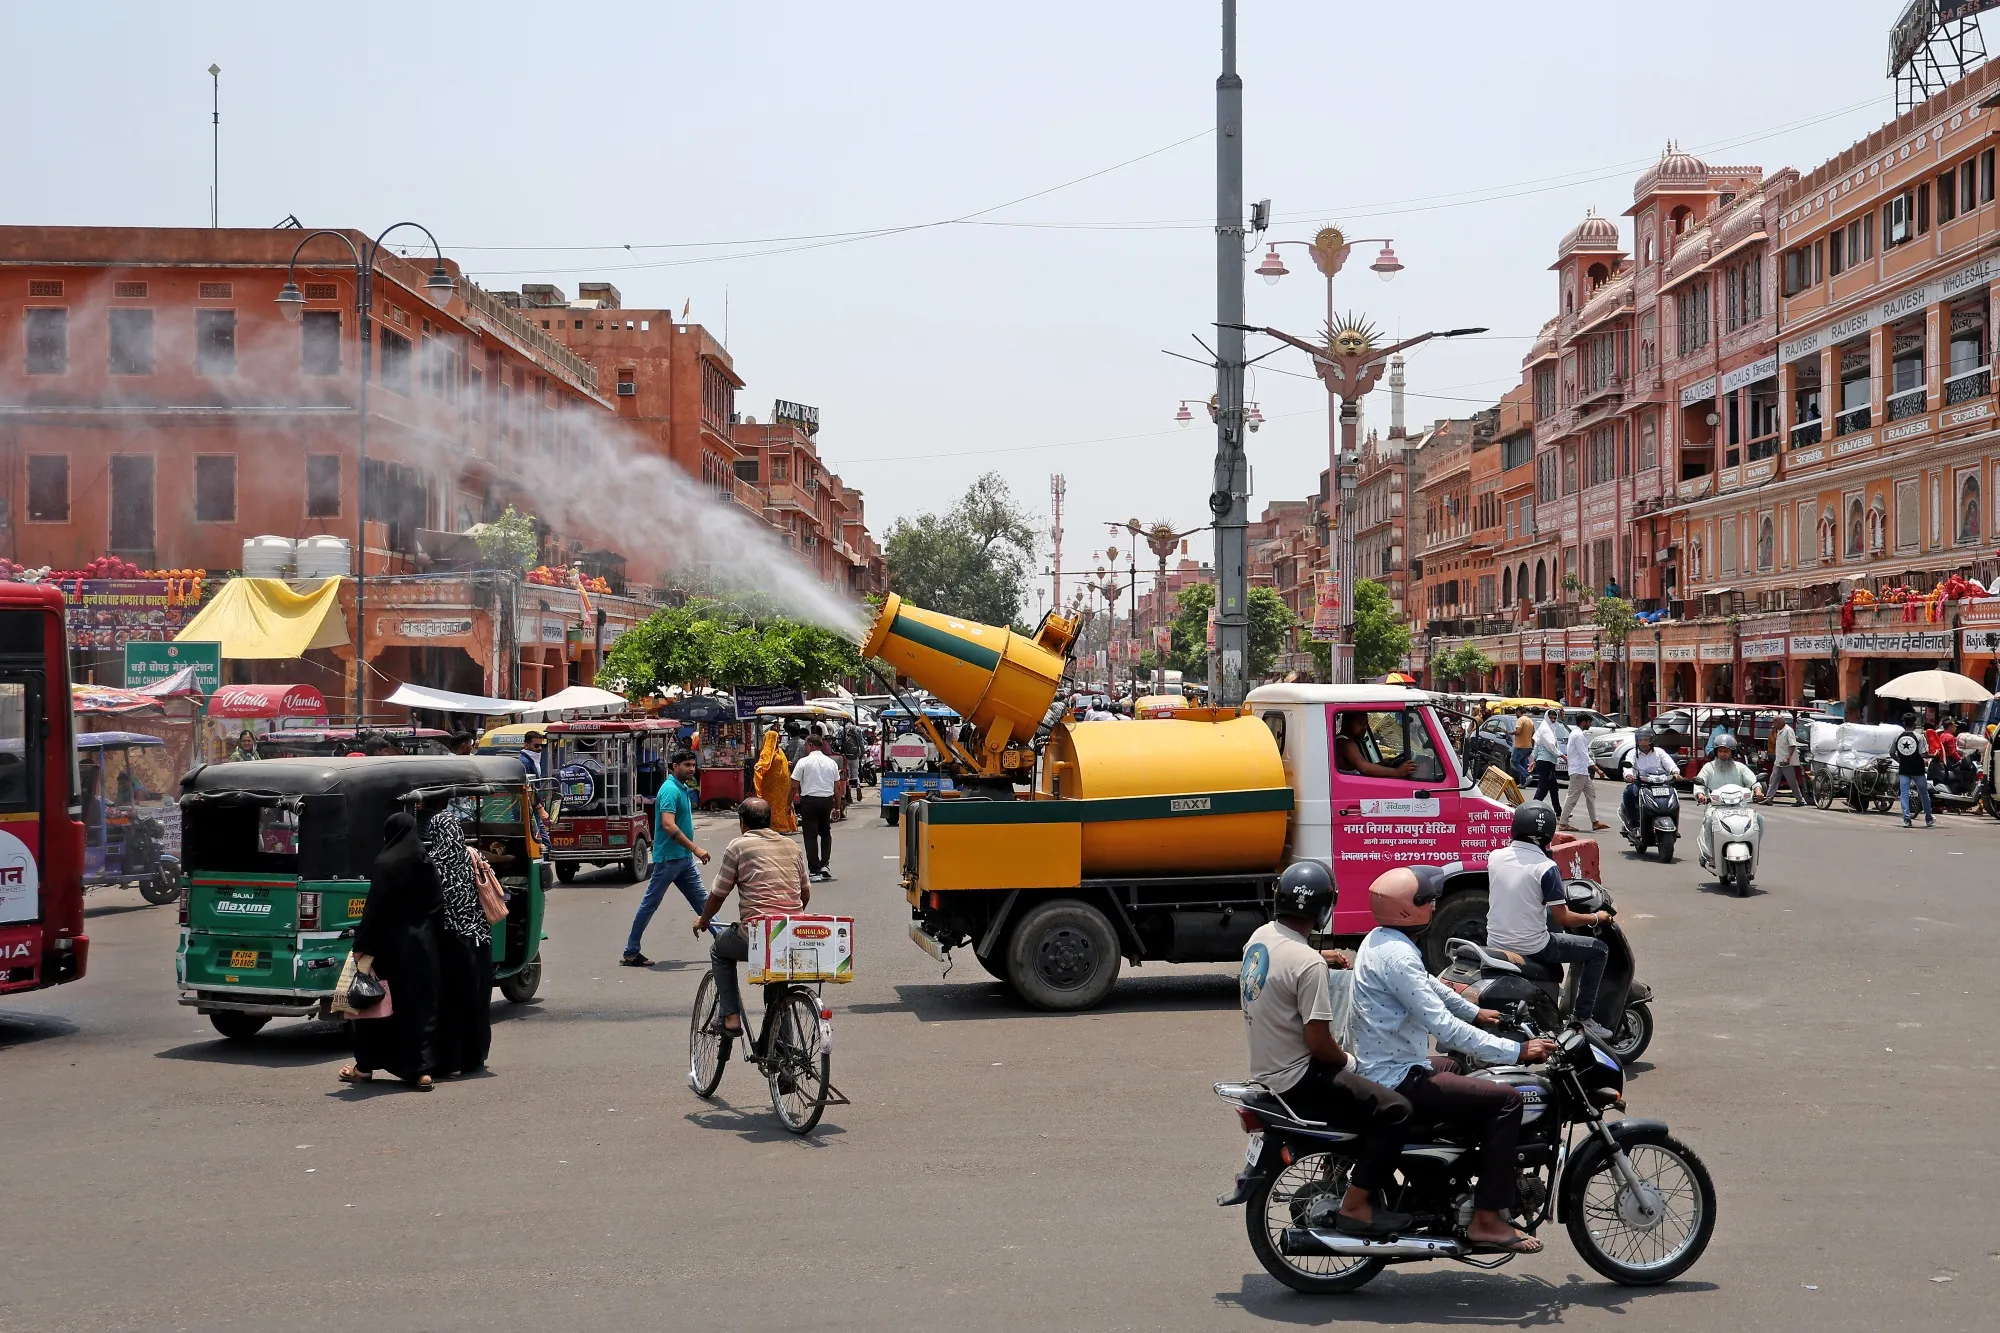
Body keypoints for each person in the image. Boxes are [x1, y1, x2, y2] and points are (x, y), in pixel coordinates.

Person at [1352, 865, 1554, 1254]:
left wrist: (1477, 1012)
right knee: (1507, 1100)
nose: (1434, 904)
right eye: (1426, 900)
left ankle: (1450, 1176)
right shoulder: (1398, 956)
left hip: (1389, 1063)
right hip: (1397, 1077)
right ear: (1408, 911)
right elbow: (1442, 1027)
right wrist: (1517, 1050)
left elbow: (1429, 987)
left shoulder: (1381, 940)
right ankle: (1487, 1220)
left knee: (1459, 1069)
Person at [1238, 862, 1413, 1239]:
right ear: (1324, 910)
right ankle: (1357, 1207)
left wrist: (1324, 959)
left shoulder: (1260, 938)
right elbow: (1320, 1043)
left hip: (1267, 1068)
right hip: (1300, 1076)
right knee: (1396, 1110)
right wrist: (1351, 1062)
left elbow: (1283, 972)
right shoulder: (1307, 963)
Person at [1486, 805, 1614, 1041]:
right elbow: (1563, 917)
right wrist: (1597, 917)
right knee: (1599, 950)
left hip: (1494, 941)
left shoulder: (1495, 857)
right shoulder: (1546, 868)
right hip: (1533, 947)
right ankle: (1583, 1018)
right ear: (1547, 835)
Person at [341, 813, 442, 1089]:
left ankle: (364, 1068)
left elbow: (374, 910)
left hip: (387, 948)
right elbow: (437, 903)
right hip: (421, 946)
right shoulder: (424, 860)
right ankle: (422, 1072)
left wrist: (361, 946)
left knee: (375, 1005)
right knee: (420, 1006)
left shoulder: (383, 864)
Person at [692, 796, 809, 1035]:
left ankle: (730, 1016)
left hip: (756, 933)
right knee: (778, 977)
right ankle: (781, 1049)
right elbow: (804, 894)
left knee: (719, 950)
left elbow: (718, 894)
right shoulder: (792, 846)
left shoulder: (739, 846)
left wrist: (704, 920)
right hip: (790, 932)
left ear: (742, 822)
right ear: (770, 820)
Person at [422, 797, 492, 1078]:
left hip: (451, 944)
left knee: (450, 1004)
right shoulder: (474, 857)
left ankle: (451, 1061)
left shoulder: (433, 865)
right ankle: (475, 1057)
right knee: (476, 1000)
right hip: (479, 940)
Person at [621, 750, 711, 966]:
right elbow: (668, 825)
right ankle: (631, 951)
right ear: (674, 766)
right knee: (650, 904)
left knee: (704, 903)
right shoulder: (670, 790)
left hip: (683, 859)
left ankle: (725, 945)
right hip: (669, 859)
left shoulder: (682, 788)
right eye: (686, 765)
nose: (691, 768)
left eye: (693, 765)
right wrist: (696, 849)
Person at [792, 736, 842, 882]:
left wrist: (788, 803)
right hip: (826, 800)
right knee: (825, 832)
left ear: (810, 745)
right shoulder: (831, 763)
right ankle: (825, 864)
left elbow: (794, 785)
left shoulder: (803, 762)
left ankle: (814, 870)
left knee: (810, 835)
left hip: (809, 800)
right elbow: (837, 787)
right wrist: (837, 807)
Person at [1621, 727, 1681, 830]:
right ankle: (1633, 822)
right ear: (1637, 740)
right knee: (1628, 792)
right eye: (1640, 740)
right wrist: (1628, 775)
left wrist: (1675, 773)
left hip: (1660, 784)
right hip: (1641, 784)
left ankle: (1673, 823)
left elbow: (1669, 764)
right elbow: (1628, 767)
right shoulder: (1632, 753)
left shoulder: (1659, 752)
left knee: (1673, 796)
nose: (1643, 742)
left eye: (1646, 740)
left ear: (1651, 740)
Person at [1558, 715, 1608, 831]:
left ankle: (1595, 822)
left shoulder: (1577, 734)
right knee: (1572, 797)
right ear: (1583, 722)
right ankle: (1563, 823)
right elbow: (1584, 755)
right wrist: (1597, 769)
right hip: (1578, 771)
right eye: (1589, 722)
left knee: (1591, 795)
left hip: (1582, 771)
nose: (1591, 725)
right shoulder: (1578, 735)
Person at [1334, 711, 1417, 779]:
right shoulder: (1346, 744)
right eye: (1360, 723)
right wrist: (1397, 772)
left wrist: (1380, 765)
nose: (1364, 727)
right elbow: (1364, 767)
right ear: (1346, 723)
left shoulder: (1344, 741)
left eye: (1366, 723)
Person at [1892, 713, 1933, 829]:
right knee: (1924, 793)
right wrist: (1934, 756)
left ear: (1904, 723)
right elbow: (1923, 754)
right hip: (1918, 770)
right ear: (1914, 723)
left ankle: (1906, 819)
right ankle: (1928, 818)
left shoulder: (1897, 737)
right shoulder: (1920, 737)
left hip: (1904, 769)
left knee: (1904, 794)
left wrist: (1900, 761)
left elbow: (1891, 753)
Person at [754, 728, 798, 834]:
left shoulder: (779, 751)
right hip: (772, 788)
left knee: (784, 805)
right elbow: (762, 765)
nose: (778, 740)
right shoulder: (767, 752)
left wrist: (786, 763)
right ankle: (776, 826)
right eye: (776, 738)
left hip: (782, 788)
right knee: (774, 807)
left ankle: (785, 825)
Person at [1765, 716, 1807, 806]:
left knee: (1792, 781)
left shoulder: (1788, 730)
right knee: (1773, 780)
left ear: (1780, 722)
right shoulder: (1779, 731)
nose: (1774, 725)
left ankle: (1800, 800)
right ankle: (1769, 798)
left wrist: (1788, 757)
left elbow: (1792, 745)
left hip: (1786, 761)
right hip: (1778, 760)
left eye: (1774, 723)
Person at [1530, 708, 1566, 807]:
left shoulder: (1547, 728)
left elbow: (1537, 746)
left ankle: (1558, 812)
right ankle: (1532, 808)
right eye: (1551, 718)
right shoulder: (1546, 730)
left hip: (1546, 762)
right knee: (1543, 788)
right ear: (1547, 717)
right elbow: (1551, 746)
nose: (1553, 720)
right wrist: (1562, 755)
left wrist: (1534, 760)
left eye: (1555, 718)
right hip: (1546, 762)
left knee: (1553, 788)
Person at [1511, 711, 1534, 783]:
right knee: (1523, 763)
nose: (1516, 715)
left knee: (1514, 762)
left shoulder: (1520, 720)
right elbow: (1533, 733)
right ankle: (1523, 783)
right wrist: (1532, 744)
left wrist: (1510, 733)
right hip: (1528, 746)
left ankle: (1527, 776)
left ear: (1518, 712)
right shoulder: (1530, 721)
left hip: (1520, 746)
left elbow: (1518, 732)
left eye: (1516, 713)